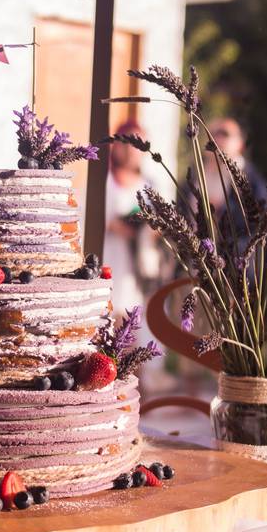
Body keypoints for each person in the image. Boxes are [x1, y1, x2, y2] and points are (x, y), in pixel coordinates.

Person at [103, 119, 174, 392]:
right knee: (115, 313)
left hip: (139, 260)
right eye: (128, 144)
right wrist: (116, 225)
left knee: (137, 312)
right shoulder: (107, 181)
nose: (132, 151)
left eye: (138, 145)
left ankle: (138, 378)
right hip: (113, 253)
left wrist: (148, 229)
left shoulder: (149, 185)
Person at [202, 118, 267, 241]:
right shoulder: (198, 174)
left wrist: (219, 210)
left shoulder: (252, 181)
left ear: (240, 144)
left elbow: (259, 222)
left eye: (224, 134)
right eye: (213, 133)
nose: (217, 139)